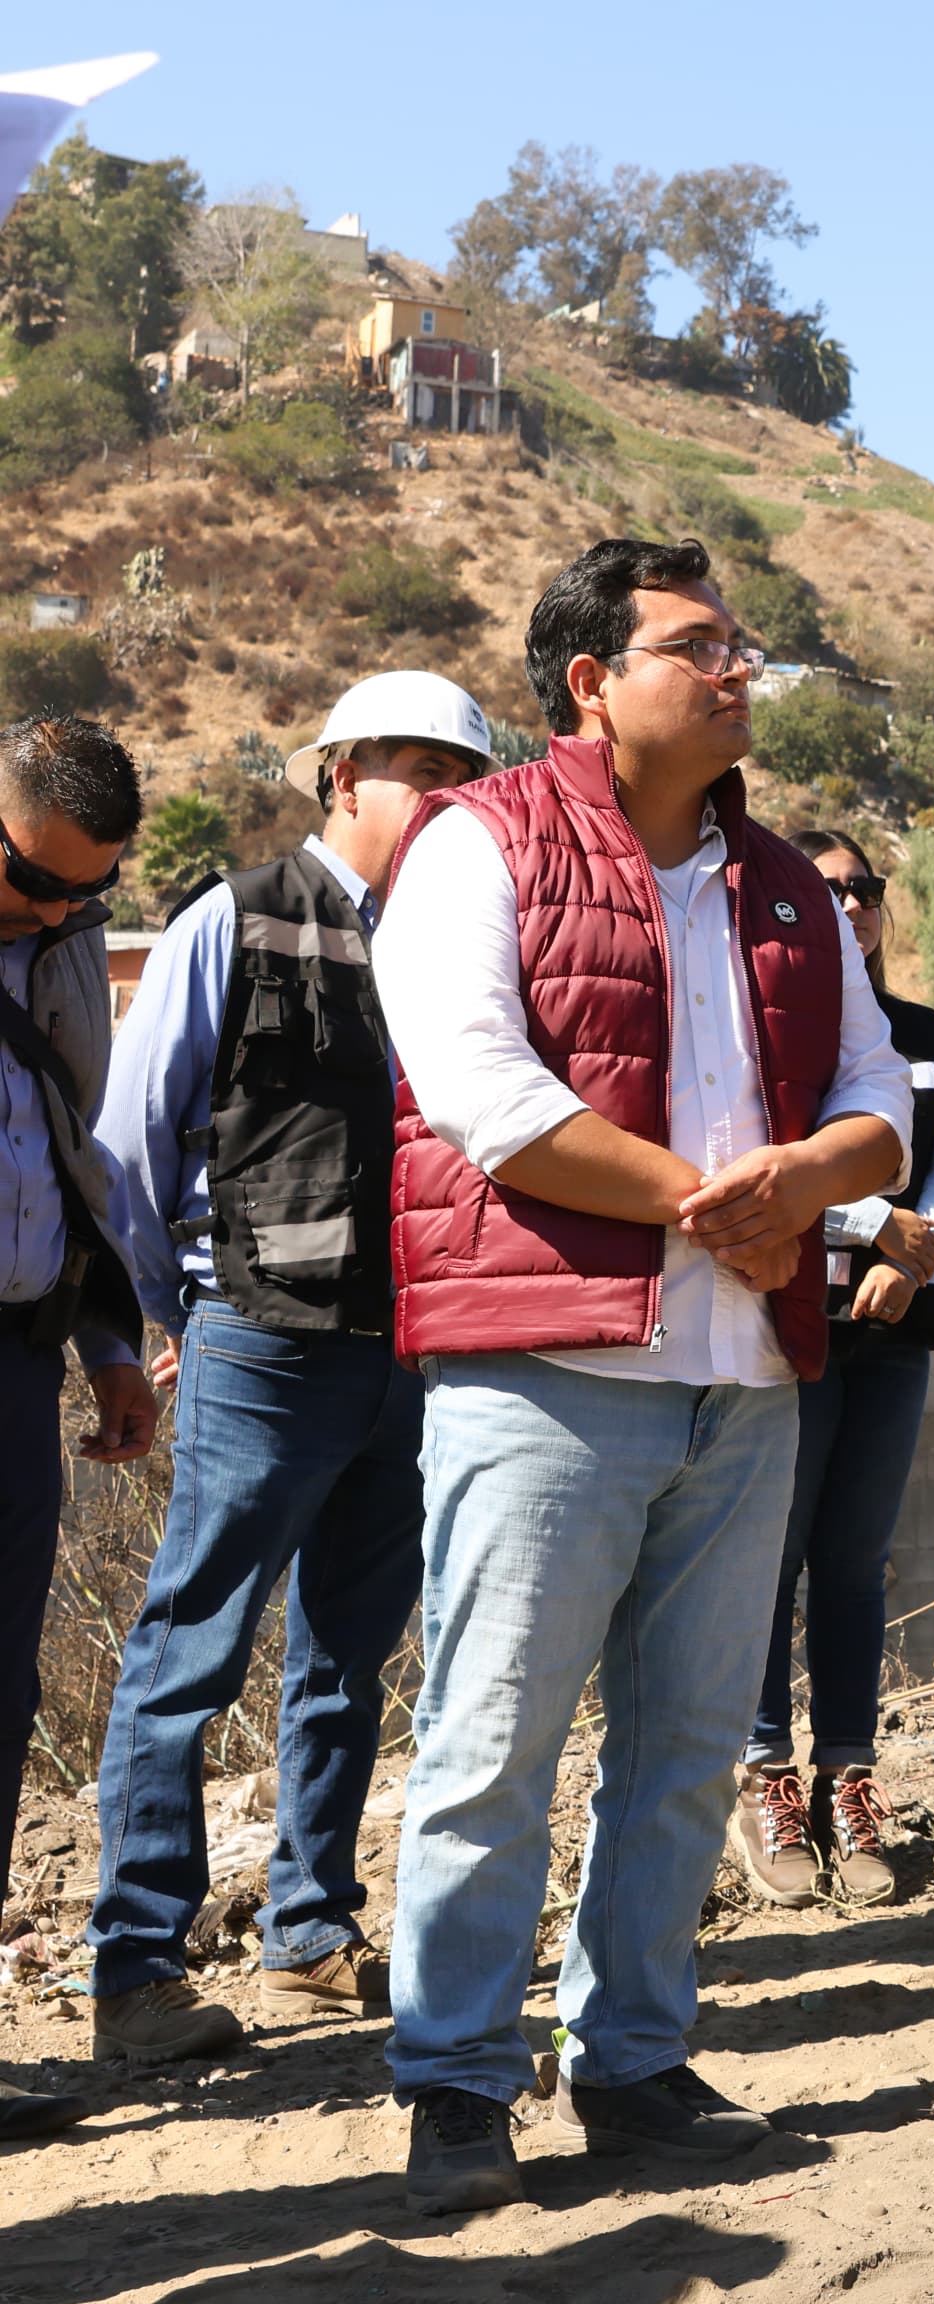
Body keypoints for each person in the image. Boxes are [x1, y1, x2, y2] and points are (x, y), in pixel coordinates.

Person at [373, 537, 912, 2216]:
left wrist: (812, 1184)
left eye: (743, 644)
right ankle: (458, 2080)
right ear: (591, 682)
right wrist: (719, 1199)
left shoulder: (791, 892)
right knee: (490, 1747)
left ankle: (634, 2062)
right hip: (545, 1371)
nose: (739, 669)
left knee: (683, 1750)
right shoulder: (483, 846)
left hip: (744, 1379)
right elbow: (483, 1094)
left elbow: (890, 1106)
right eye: (698, 645)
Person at [83, 673, 488, 2072]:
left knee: (347, 1659)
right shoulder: (235, 918)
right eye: (413, 769)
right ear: (341, 777)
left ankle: (311, 1932)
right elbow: (131, 1145)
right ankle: (134, 1968)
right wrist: (163, 1311)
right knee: (191, 1649)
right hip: (264, 1344)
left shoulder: (466, 944)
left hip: (413, 1345)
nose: (440, 798)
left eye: (461, 774)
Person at [728, 830, 934, 1912]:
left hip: (892, 1324)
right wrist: (872, 1225)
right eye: (828, 890)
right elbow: (757, 1160)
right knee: (770, 1557)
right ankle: (763, 1771)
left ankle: (848, 1775)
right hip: (789, 1314)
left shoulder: (919, 1031)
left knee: (855, 1557)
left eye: (865, 890)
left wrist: (915, 1263)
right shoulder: (767, 1014)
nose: (852, 905)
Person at [0, 715, 155, 2140]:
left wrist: (110, 1342)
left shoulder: (58, 950)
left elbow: (81, 1159)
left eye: (84, 897)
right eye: (33, 881)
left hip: (18, 1359)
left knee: (2, 1701)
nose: (56, 912)